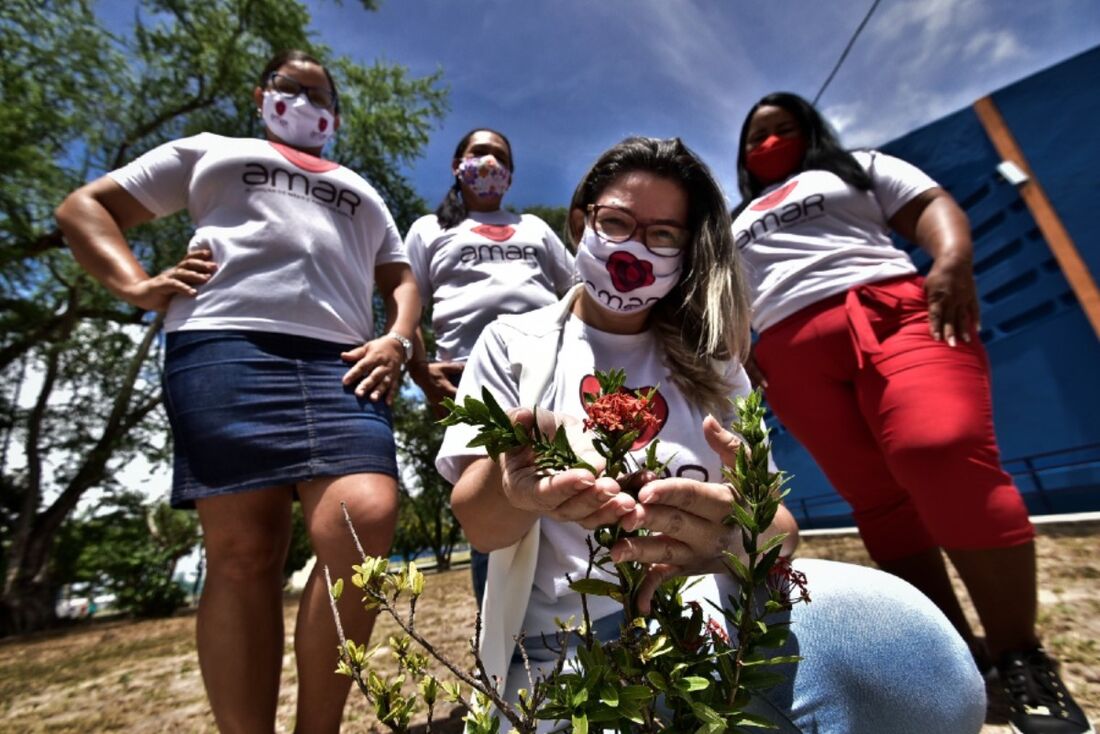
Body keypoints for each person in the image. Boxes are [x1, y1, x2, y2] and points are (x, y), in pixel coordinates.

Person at [437, 136, 986, 733]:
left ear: (687, 249)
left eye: (663, 234)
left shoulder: (714, 365)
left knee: (912, 653)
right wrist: (515, 488)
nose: (635, 248)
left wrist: (733, 538)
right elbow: (478, 522)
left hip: (707, 628)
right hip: (564, 655)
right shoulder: (511, 344)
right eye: (616, 222)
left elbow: (779, 530)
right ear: (580, 224)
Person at [55, 49, 419, 734]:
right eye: (290, 87)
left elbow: (400, 279)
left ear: (334, 117)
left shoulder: (361, 188)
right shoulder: (211, 150)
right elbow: (84, 208)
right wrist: (136, 285)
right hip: (224, 345)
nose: (305, 101)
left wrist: (397, 338)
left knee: (365, 517)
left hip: (343, 360)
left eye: (319, 94)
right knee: (244, 555)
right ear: (262, 96)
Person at [731, 92, 1093, 734]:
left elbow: (932, 206)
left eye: (782, 128)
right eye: (756, 136)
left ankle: (1020, 655)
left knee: (941, 449)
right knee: (878, 502)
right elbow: (726, 293)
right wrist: (738, 347)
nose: (768, 141)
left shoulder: (853, 168)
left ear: (810, 130)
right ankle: (952, 660)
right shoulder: (734, 220)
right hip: (789, 357)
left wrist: (951, 261)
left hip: (893, 312)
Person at [404, 128, 575, 607]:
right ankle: (504, 642)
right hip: (469, 379)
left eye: (500, 155)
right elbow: (407, 303)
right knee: (488, 499)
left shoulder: (535, 229)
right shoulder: (428, 230)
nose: (488, 162)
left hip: (550, 366)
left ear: (511, 175)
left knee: (563, 480)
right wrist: (421, 370)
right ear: (457, 164)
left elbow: (577, 288)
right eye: (478, 152)